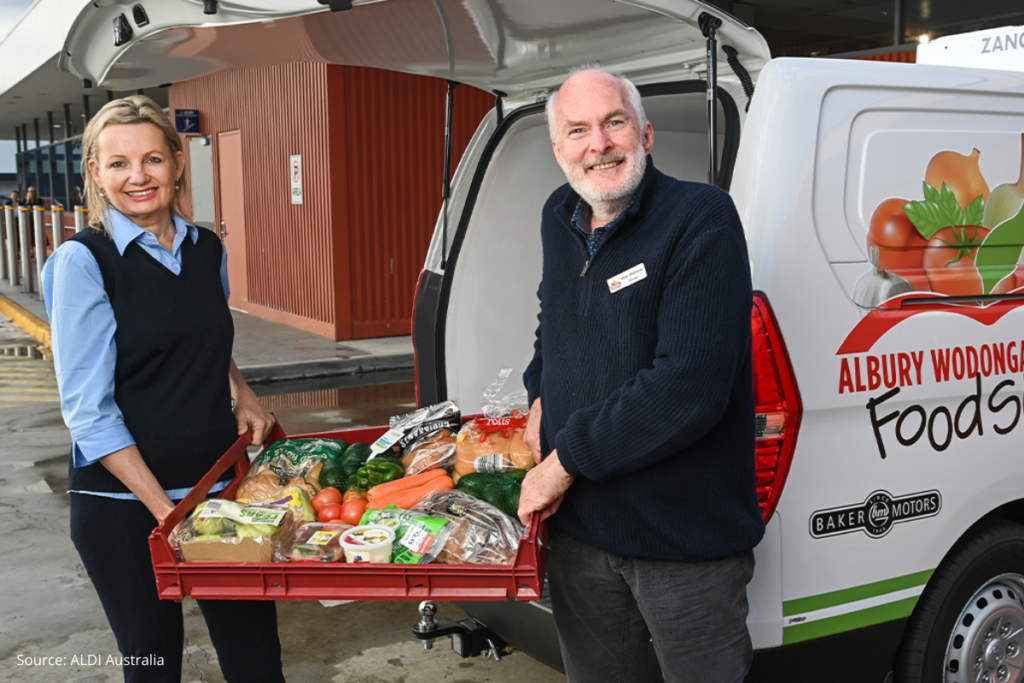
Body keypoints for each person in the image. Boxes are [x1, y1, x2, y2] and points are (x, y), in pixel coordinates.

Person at [517, 69, 765, 683]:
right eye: (578, 130)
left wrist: (561, 462)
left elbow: (690, 386)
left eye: (614, 123)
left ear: (646, 135)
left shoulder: (701, 218)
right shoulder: (559, 214)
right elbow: (555, 319)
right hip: (580, 533)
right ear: (558, 148)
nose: (598, 144)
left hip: (682, 541)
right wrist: (540, 393)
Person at [42, 95, 286, 683]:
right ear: (96, 172)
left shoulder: (206, 247)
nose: (138, 176)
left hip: (217, 488)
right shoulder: (83, 262)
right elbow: (88, 413)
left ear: (178, 162)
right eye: (118, 163)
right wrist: (167, 515)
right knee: (153, 664)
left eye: (152, 159)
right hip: (126, 508)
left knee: (257, 662)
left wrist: (243, 392)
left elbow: (201, 334)